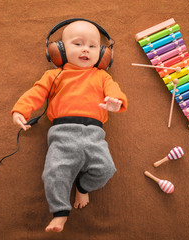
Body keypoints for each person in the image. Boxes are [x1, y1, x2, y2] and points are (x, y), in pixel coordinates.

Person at [11, 20, 128, 233]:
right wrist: (21, 110)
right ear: (59, 51)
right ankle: (60, 213)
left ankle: (83, 187)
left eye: (93, 46)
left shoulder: (102, 76)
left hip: (94, 134)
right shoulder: (54, 75)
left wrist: (115, 102)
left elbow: (115, 91)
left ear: (103, 54)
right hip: (62, 134)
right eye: (78, 44)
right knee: (54, 174)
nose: (86, 49)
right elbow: (36, 93)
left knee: (106, 169)